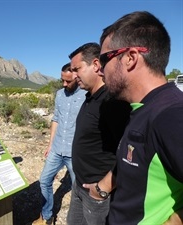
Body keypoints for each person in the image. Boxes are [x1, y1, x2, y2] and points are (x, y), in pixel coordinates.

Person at [97, 11, 183, 224]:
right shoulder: (144, 107)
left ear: (130, 58)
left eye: (103, 59)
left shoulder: (171, 114)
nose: (99, 70)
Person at [66, 42, 131, 225]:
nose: (73, 75)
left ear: (95, 65)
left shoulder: (111, 102)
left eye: (77, 69)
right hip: (79, 185)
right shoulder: (90, 98)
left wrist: (103, 189)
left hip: (97, 194)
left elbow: (130, 153)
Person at [32, 63, 86, 225]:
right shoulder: (59, 95)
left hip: (75, 153)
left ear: (76, 77)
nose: (64, 84)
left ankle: (80, 220)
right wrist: (50, 145)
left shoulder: (87, 95)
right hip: (56, 149)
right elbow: (56, 119)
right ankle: (47, 216)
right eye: (62, 80)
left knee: (80, 190)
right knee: (44, 181)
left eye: (68, 81)